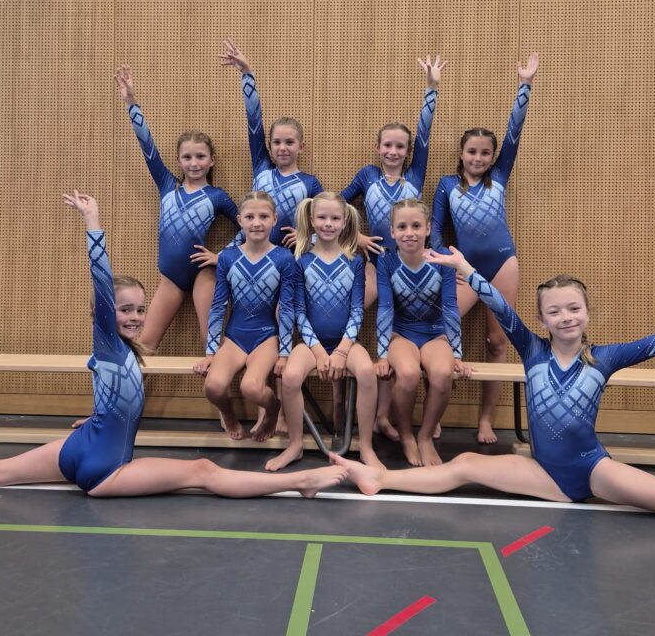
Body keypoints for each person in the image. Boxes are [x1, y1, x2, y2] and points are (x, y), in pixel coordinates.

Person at [0, 191, 345, 498]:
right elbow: (101, 283)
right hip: (105, 468)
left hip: (82, 447)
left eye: (140, 310)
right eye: (126, 310)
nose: (135, 317)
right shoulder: (107, 337)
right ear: (106, 313)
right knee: (204, 472)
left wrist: (95, 414)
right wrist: (93, 224)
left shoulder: (124, 351)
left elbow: (116, 396)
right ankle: (298, 483)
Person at [330, 247, 655, 519]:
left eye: (573, 308)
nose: (565, 317)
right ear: (543, 320)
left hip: (591, 470)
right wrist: (465, 266)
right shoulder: (532, 349)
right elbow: (499, 306)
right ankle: (381, 479)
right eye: (554, 312)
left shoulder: (606, 358)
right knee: (464, 464)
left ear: (587, 312)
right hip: (544, 474)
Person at [431, 53, 538, 445]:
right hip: (464, 267)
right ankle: (435, 411)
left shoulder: (499, 178)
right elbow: (436, 231)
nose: (478, 158)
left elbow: (514, 133)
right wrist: (446, 262)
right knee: (439, 334)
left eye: (485, 153)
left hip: (502, 265)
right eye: (472, 152)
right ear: (461, 153)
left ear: (493, 158)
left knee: (497, 342)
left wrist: (524, 85)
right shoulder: (447, 185)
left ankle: (486, 420)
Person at [342, 55, 445, 442]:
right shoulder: (367, 174)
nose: (393, 151)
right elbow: (334, 205)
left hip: (414, 265)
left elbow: (425, 134)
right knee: (362, 320)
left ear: (407, 151)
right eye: (387, 145)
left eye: (400, 146)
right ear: (377, 147)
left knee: (412, 331)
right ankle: (364, 408)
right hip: (378, 264)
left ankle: (402, 413)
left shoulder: (414, 174)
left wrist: (431, 89)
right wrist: (356, 237)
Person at [115, 65, 237, 350]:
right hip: (171, 278)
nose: (194, 163)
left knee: (210, 341)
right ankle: (130, 383)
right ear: (179, 160)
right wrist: (131, 103)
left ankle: (223, 375)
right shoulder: (168, 185)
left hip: (203, 273)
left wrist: (222, 255)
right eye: (187, 157)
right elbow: (148, 149)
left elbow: (250, 227)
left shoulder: (217, 196)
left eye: (200, 157)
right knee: (145, 343)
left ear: (212, 160)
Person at [266, 193, 381, 472]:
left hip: (345, 342)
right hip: (311, 343)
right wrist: (318, 351)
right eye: (322, 217)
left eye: (334, 218)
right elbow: (299, 312)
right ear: (311, 220)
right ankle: (295, 444)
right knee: (290, 376)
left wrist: (342, 350)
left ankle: (366, 446)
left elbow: (357, 311)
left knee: (367, 372)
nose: (328, 223)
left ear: (344, 222)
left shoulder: (354, 261)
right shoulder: (300, 261)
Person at [194, 192, 296, 442]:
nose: (257, 223)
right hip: (234, 338)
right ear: (240, 220)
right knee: (213, 387)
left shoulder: (284, 258)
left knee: (251, 387)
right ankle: (229, 415)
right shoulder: (228, 257)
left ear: (274, 219)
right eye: (250, 217)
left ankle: (273, 410)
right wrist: (211, 352)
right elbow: (218, 306)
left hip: (266, 338)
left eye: (263, 216)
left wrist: (284, 353)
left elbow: (286, 308)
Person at [376, 200, 471, 468]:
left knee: (442, 374)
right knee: (407, 374)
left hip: (435, 333)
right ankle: (407, 435)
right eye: (402, 227)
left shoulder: (441, 260)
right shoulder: (386, 261)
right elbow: (385, 307)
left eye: (416, 226)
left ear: (428, 228)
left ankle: (425, 436)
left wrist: (457, 353)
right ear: (392, 231)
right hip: (402, 334)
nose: (410, 233)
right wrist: (382, 354)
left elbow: (450, 305)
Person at [219, 39, 322, 249]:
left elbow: (330, 218)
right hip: (254, 255)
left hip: (291, 259)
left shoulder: (310, 183)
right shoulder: (262, 167)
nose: (282, 148)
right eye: (276, 142)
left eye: (289, 142)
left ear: (301, 146)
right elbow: (254, 123)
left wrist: (308, 239)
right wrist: (247, 74)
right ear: (269, 145)